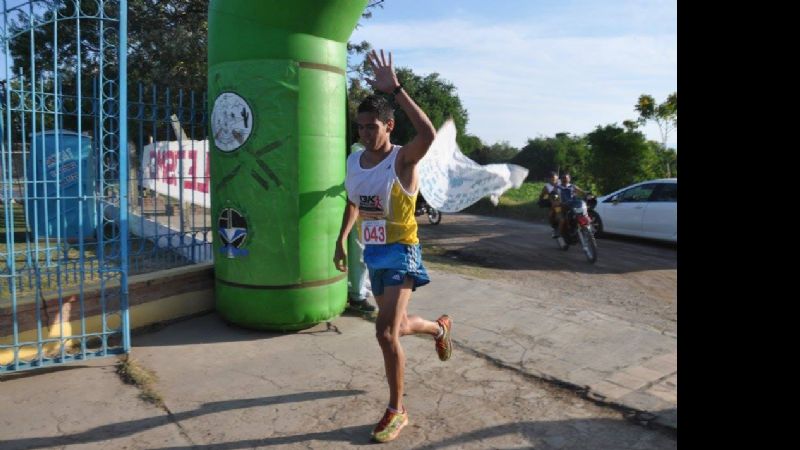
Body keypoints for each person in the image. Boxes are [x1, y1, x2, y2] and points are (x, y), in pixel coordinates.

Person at [333, 49, 453, 444]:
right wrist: (340, 241)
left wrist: (396, 89)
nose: (366, 133)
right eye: (361, 127)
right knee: (399, 327)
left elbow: (430, 135)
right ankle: (438, 328)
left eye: (373, 126)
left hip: (403, 250)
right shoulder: (355, 161)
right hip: (373, 253)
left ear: (389, 125)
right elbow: (354, 202)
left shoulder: (403, 160)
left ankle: (396, 410)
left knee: (384, 333)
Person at [554, 172, 587, 238]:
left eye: (566, 178)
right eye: (563, 178)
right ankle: (558, 232)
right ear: (561, 179)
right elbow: (555, 195)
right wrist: (557, 200)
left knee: (583, 213)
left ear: (569, 179)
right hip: (562, 206)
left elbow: (582, 192)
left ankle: (587, 226)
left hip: (573, 205)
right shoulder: (558, 187)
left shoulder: (573, 186)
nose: (565, 179)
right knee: (562, 219)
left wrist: (587, 194)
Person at [538, 171, 560, 237]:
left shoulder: (561, 183)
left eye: (556, 179)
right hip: (554, 203)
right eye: (553, 179)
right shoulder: (546, 187)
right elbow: (544, 196)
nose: (555, 181)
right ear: (549, 179)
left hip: (564, 201)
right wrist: (545, 199)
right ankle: (555, 228)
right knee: (551, 214)